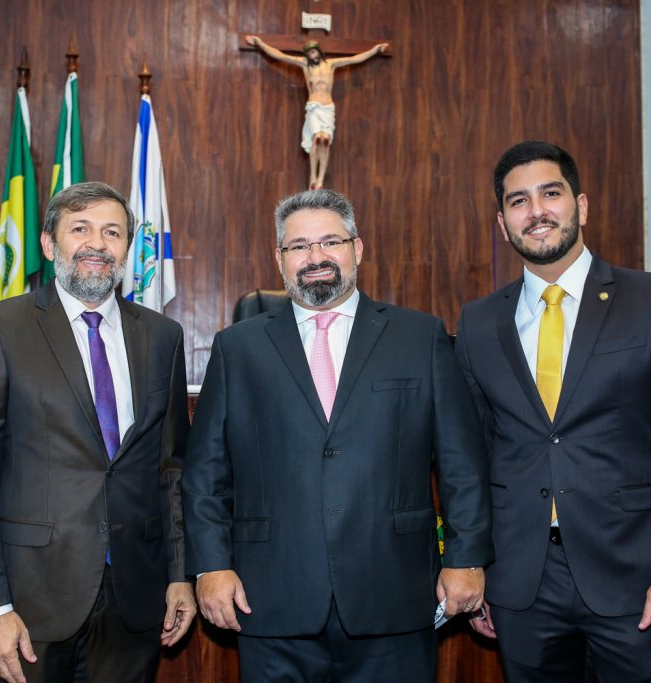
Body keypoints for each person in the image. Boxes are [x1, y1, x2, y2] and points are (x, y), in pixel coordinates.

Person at [182, 188, 492, 682]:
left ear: (357, 249)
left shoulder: (420, 337)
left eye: (330, 241)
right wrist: (210, 566)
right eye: (299, 246)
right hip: (270, 599)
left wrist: (468, 558)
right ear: (279, 259)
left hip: (394, 595)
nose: (316, 257)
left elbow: (462, 464)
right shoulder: (236, 349)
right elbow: (205, 474)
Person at [455, 141, 651, 682]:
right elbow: (473, 458)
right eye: (518, 201)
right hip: (522, 585)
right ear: (503, 223)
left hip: (642, 579)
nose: (536, 211)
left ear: (580, 205)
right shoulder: (478, 323)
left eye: (550, 194)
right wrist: (476, 563)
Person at [0, 181, 195, 682]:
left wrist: (180, 575)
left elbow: (171, 469)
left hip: (136, 594)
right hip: (30, 598)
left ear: (127, 248)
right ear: (48, 243)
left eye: (112, 232)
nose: (97, 244)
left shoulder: (162, 336)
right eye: (80, 229)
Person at [246, 36, 388, 190]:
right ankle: (312, 177)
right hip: (314, 107)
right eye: (308, 54)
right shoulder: (305, 64)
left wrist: (375, 50)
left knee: (325, 141)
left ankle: (320, 180)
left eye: (313, 52)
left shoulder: (331, 64)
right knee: (317, 139)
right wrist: (260, 43)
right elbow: (280, 55)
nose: (311, 56)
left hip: (327, 108)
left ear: (319, 51)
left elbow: (355, 59)